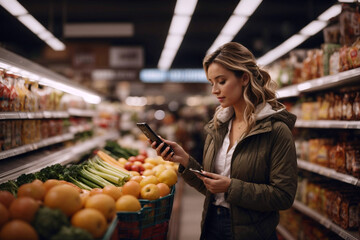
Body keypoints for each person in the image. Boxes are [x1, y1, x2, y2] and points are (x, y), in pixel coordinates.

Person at [150, 42, 297, 240]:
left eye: (221, 81)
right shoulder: (218, 127)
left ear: (244, 78)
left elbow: (283, 196)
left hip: (251, 233)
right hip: (212, 225)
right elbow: (211, 188)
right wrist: (184, 160)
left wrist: (230, 187)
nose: (214, 90)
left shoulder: (276, 131)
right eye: (212, 83)